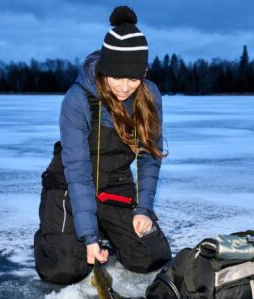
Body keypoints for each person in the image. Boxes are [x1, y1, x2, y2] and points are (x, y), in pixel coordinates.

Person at [33, 6, 171, 283]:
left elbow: (149, 158)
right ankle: (65, 232)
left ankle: (105, 227)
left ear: (144, 72)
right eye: (116, 77)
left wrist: (143, 209)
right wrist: (88, 236)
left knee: (151, 256)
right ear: (104, 70)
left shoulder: (149, 96)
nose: (124, 86)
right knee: (63, 270)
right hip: (69, 184)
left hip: (115, 184)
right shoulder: (78, 99)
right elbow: (78, 170)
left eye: (133, 78)